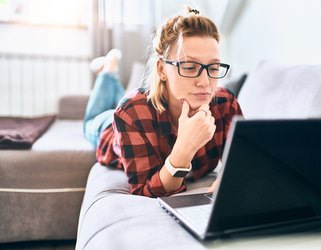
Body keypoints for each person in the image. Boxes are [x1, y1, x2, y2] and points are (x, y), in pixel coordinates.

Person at [84, 7, 242, 197]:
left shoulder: (225, 104)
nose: (205, 82)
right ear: (161, 69)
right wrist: (184, 147)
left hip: (139, 104)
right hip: (107, 128)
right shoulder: (130, 113)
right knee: (92, 119)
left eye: (214, 68)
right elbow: (145, 191)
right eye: (190, 67)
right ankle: (108, 72)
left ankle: (112, 77)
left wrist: (227, 177)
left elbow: (244, 160)